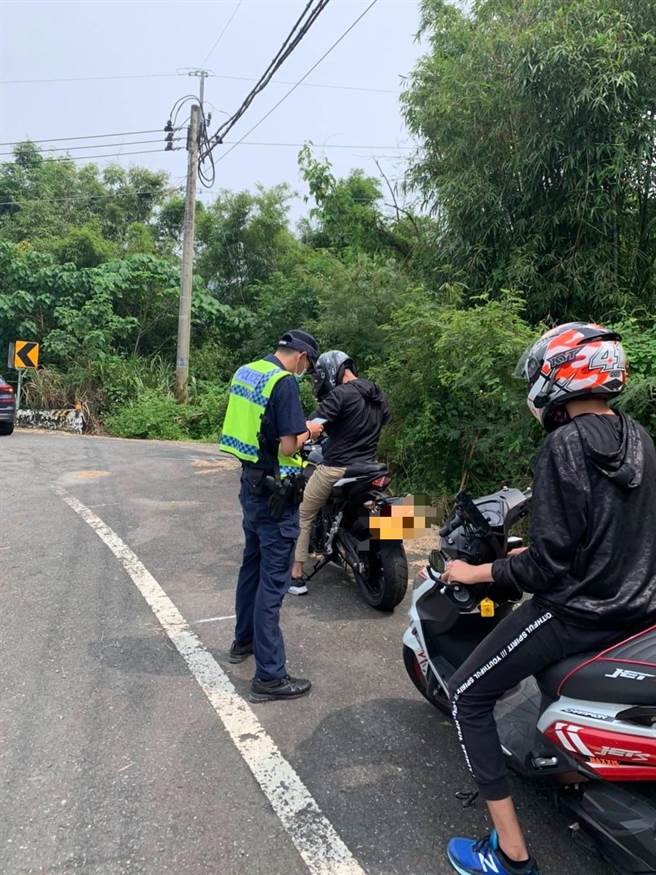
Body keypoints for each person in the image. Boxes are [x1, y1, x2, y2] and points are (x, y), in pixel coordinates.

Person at [441, 322, 656, 875]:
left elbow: (547, 568)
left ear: (558, 375)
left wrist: (480, 570)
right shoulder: (640, 438)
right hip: (637, 610)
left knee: (468, 694)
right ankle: (564, 766)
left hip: (576, 615)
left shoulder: (563, 446)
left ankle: (509, 854)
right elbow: (612, 532)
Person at [219, 329, 319, 703]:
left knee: (252, 565)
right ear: (302, 357)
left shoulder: (246, 372)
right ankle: (270, 677)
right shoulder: (284, 383)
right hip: (277, 492)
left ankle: (242, 641)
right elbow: (289, 443)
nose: (304, 371)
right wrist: (310, 429)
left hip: (251, 484)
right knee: (273, 583)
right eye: (306, 365)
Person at [289, 349, 390, 595]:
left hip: (337, 467)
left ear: (332, 371)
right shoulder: (376, 394)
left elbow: (312, 426)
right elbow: (382, 420)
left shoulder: (340, 395)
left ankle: (296, 577)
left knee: (304, 513)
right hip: (370, 466)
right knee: (395, 512)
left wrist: (293, 439)